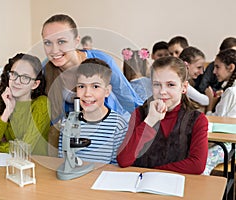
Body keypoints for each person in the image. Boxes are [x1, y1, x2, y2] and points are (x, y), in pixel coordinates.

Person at [41, 14, 142, 154]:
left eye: (61, 41)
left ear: (76, 41)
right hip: (76, 135)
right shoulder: (45, 69)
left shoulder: (101, 60)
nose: (54, 50)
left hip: (109, 130)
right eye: (47, 43)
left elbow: (129, 99)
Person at [117, 56, 208, 174]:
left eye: (170, 85)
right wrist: (149, 121)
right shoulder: (140, 114)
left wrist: (153, 172)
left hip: (176, 185)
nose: (162, 91)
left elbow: (197, 165)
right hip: (139, 185)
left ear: (184, 87)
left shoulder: (197, 120)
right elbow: (124, 160)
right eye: (156, 84)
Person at [58, 58, 127, 164]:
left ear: (107, 91)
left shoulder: (118, 126)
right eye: (81, 86)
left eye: (95, 86)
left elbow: (116, 167)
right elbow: (62, 159)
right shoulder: (67, 122)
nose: (87, 94)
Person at [0, 53, 50, 155]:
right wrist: (7, 112)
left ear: (35, 84)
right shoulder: (0, 102)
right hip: (9, 162)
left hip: (36, 164)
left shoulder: (42, 103)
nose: (17, 81)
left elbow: (25, 148)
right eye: (14, 74)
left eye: (25, 78)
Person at [204, 49, 236, 175]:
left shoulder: (231, 92)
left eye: (217, 67)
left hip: (229, 144)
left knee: (202, 162)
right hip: (230, 143)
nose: (214, 71)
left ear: (231, 67)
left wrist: (210, 105)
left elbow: (217, 123)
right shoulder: (230, 90)